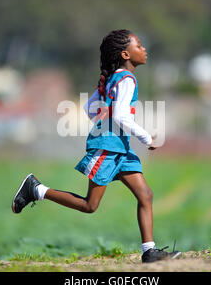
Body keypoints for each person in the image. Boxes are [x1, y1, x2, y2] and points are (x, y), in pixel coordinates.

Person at [11, 29, 181, 263]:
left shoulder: (112, 78)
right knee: (90, 205)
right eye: (139, 46)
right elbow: (121, 116)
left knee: (145, 195)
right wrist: (145, 138)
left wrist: (106, 124)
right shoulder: (127, 79)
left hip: (121, 149)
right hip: (108, 149)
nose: (144, 50)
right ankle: (36, 189)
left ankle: (149, 251)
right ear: (125, 54)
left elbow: (90, 108)